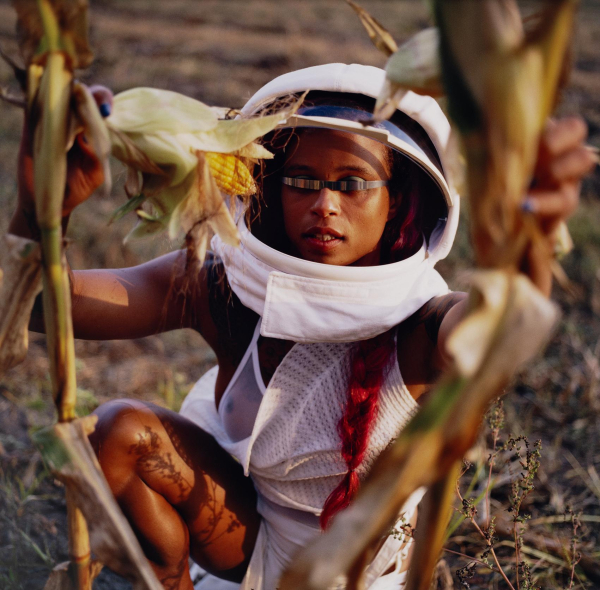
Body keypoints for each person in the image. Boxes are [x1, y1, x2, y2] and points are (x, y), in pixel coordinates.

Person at [9, 63, 596, 590]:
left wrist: (525, 249)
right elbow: (47, 304)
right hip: (242, 539)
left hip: (358, 576)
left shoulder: (419, 323)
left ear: (400, 200)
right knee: (115, 433)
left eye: (353, 183)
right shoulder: (225, 285)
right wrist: (42, 207)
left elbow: (493, 332)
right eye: (302, 180)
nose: (325, 204)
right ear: (267, 184)